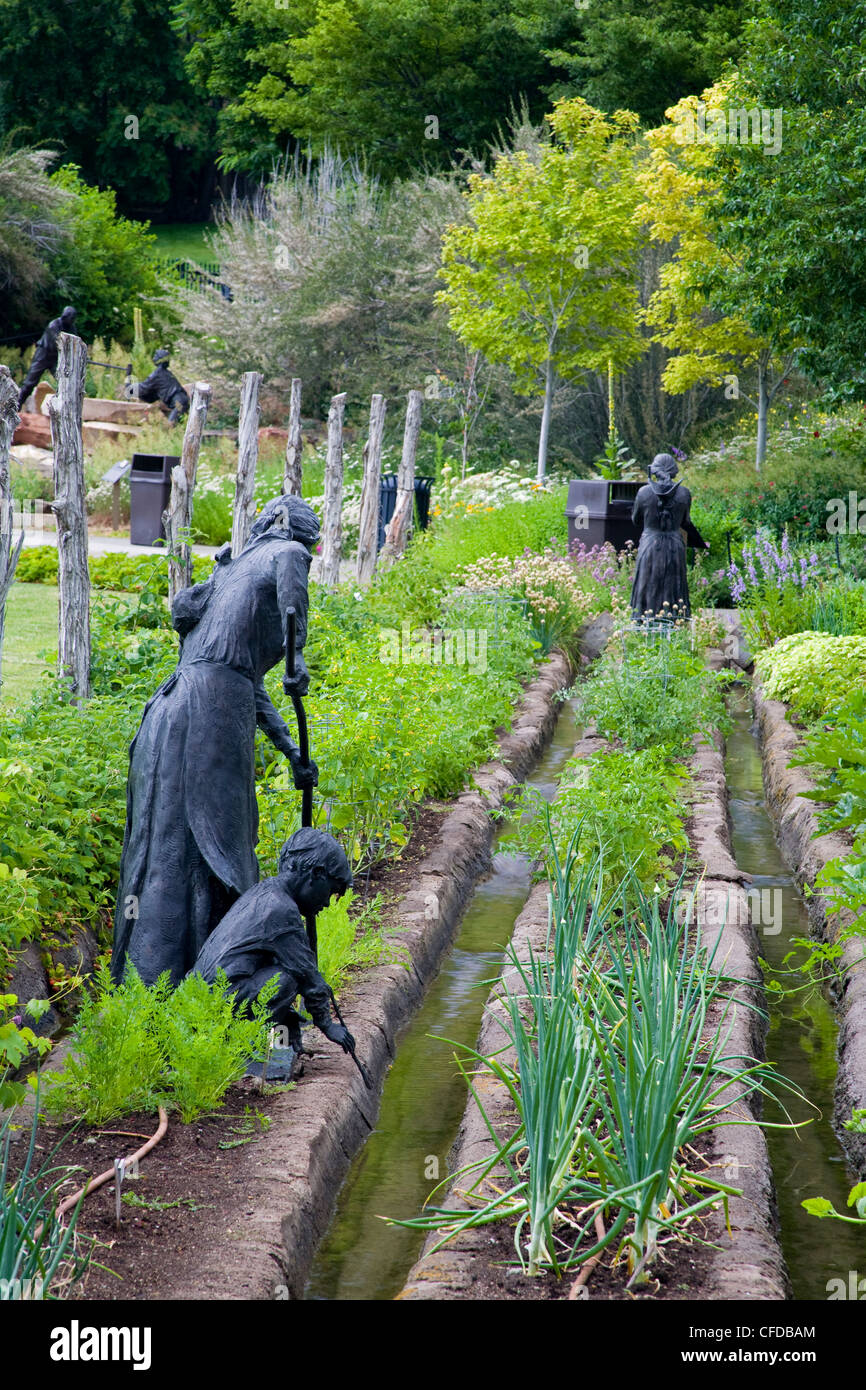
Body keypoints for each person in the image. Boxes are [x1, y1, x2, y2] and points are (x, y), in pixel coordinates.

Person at [111, 494, 320, 988]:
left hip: (169, 712)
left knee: (164, 846)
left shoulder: (228, 576)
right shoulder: (286, 553)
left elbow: (246, 683)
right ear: (294, 531)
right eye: (313, 545)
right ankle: (220, 984)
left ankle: (151, 983)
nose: (309, 556)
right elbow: (292, 602)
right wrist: (297, 658)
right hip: (209, 720)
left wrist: (292, 752)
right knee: (221, 849)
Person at [191, 828, 355, 1059]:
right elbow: (308, 976)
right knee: (286, 979)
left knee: (279, 974)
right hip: (219, 1003)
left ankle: (274, 1041)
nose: (327, 903)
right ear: (316, 875)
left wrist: (287, 1018)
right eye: (330, 892)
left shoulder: (264, 891)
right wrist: (328, 1026)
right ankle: (247, 1051)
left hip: (200, 997)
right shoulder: (282, 910)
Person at [629, 453, 692, 623]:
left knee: (647, 582)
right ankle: (674, 622)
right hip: (674, 544)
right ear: (673, 472)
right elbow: (686, 521)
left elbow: (635, 519)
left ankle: (643, 622)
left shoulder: (643, 492)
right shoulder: (684, 494)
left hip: (650, 543)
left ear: (654, 471)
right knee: (674, 585)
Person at [17, 306, 79, 409]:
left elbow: (76, 344)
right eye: (71, 318)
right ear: (65, 316)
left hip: (55, 359)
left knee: (65, 380)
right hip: (43, 356)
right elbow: (58, 342)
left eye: (73, 318)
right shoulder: (53, 325)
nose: (72, 320)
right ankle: (16, 406)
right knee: (29, 384)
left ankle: (65, 409)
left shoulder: (71, 328)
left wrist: (79, 356)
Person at [132, 348, 190, 424]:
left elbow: (143, 387)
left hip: (178, 403)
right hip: (183, 401)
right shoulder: (167, 373)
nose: (153, 358)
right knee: (179, 424)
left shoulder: (157, 374)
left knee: (170, 426)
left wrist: (130, 387)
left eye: (156, 356)